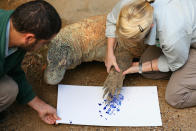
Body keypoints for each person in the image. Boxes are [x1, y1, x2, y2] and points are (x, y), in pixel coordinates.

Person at [105, 0, 196, 108]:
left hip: (184, 41)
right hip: (181, 40)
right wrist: (109, 52)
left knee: (175, 97)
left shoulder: (170, 35)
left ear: (151, 26)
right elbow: (112, 19)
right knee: (148, 70)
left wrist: (140, 68)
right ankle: (185, 71)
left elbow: (176, 63)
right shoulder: (131, 6)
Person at [0, 0, 61, 124]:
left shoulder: (16, 28)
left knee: (9, 90)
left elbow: (13, 70)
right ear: (29, 38)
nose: (45, 47)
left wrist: (40, 106)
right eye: (45, 43)